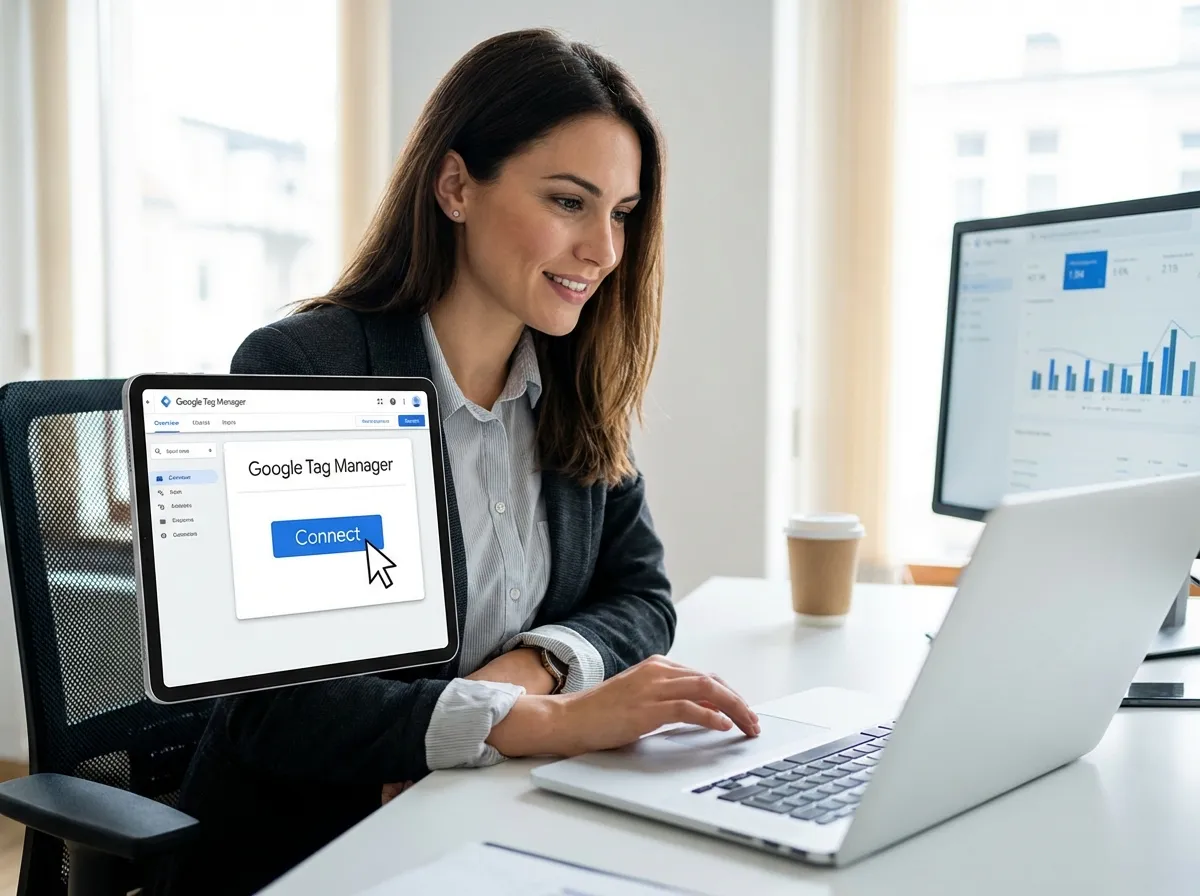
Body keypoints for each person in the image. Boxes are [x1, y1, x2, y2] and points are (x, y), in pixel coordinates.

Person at [155, 28, 759, 896]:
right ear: (454, 186)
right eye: (567, 202)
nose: (604, 250)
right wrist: (536, 723)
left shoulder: (569, 385)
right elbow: (276, 709)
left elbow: (640, 594)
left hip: (485, 821)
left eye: (621, 213)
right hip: (313, 848)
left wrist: (524, 673)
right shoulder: (310, 370)